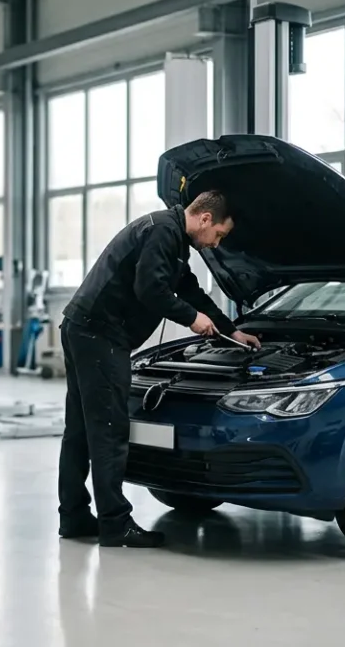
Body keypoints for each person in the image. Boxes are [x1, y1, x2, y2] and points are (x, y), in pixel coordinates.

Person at [57, 190, 261, 548]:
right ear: (205, 219)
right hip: (100, 334)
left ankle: (74, 517)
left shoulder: (172, 238)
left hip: (81, 328)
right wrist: (191, 319)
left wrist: (231, 330)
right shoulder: (163, 232)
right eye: (219, 235)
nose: (215, 244)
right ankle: (115, 524)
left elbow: (191, 291)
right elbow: (150, 289)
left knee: (80, 430)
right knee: (108, 430)